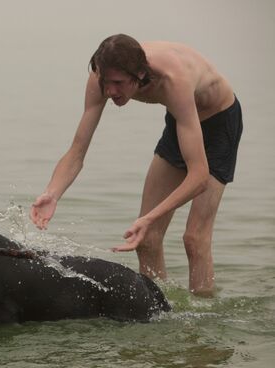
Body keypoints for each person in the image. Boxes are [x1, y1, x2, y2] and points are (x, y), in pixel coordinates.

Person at [30, 34, 242, 296]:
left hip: (219, 121)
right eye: (106, 83)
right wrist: (52, 193)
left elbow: (198, 178)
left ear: (140, 74)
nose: (110, 91)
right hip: (182, 120)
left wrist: (149, 216)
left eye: (118, 83)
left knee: (194, 239)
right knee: (147, 238)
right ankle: (158, 314)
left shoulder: (173, 80)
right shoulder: (101, 76)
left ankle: (203, 320)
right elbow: (77, 151)